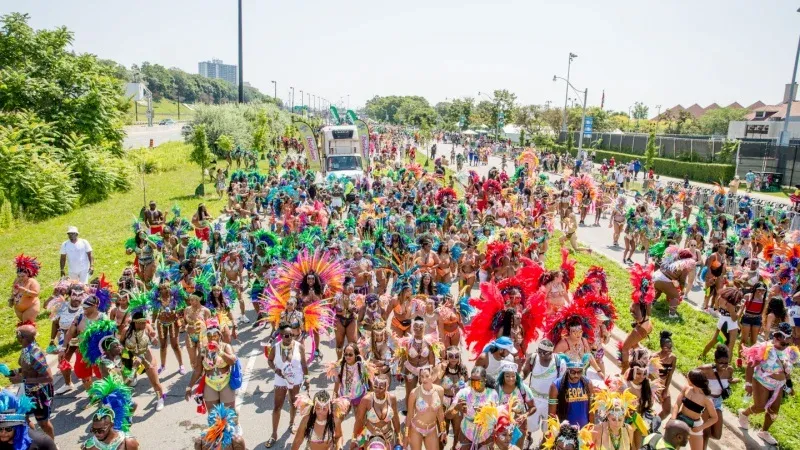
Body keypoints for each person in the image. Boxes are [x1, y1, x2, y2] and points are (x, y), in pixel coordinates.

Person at [738, 322, 800, 445]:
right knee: (760, 407)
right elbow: (750, 366)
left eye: (788, 343)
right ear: (776, 337)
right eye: (783, 343)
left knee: (774, 411)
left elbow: (786, 372)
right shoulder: (763, 348)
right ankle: (744, 414)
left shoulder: (789, 351)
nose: (785, 346)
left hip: (778, 385)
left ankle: (764, 431)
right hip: (761, 381)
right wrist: (748, 384)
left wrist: (790, 386)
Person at [266, 324, 309, 448]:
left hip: (295, 378)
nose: (289, 337)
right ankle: (274, 434)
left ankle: (291, 423)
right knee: (277, 406)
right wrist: (275, 369)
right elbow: (269, 360)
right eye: (286, 335)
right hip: (280, 379)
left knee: (293, 402)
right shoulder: (275, 347)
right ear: (281, 336)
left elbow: (304, 364)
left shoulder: (299, 346)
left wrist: (307, 379)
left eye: (291, 335)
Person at [8, 324, 54, 440]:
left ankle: (51, 445)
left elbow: (48, 378)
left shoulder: (35, 353)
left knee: (43, 423)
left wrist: (22, 380)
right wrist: (14, 372)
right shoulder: (26, 349)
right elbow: (28, 368)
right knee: (24, 418)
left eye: (17, 335)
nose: (16, 337)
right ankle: (35, 441)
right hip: (26, 391)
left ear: (22, 337)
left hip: (39, 394)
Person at [82, 376, 139, 450]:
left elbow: (134, 405)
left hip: (120, 428)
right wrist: (129, 418)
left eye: (100, 430)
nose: (96, 434)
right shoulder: (90, 445)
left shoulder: (127, 442)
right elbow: (134, 405)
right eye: (93, 430)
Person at [670, 370, 717, 450]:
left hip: (695, 425)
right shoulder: (686, 388)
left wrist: (701, 427)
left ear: (693, 381)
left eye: (688, 377)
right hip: (681, 420)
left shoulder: (706, 399)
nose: (686, 377)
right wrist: (673, 419)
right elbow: (677, 404)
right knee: (672, 447)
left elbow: (714, 418)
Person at [549, 360, 594, 428]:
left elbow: (592, 409)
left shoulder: (588, 384)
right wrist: (552, 430)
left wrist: (591, 426)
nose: (576, 375)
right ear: (567, 370)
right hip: (566, 431)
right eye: (573, 372)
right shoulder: (556, 385)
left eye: (579, 372)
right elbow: (552, 414)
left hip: (584, 430)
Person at [10, 254, 41, 326]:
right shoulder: (17, 280)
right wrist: (11, 299)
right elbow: (13, 290)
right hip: (18, 308)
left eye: (23, 276)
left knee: (27, 325)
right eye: (19, 276)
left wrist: (24, 290)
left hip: (30, 307)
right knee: (23, 325)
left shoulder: (32, 281)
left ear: (28, 274)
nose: (20, 278)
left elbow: (36, 294)